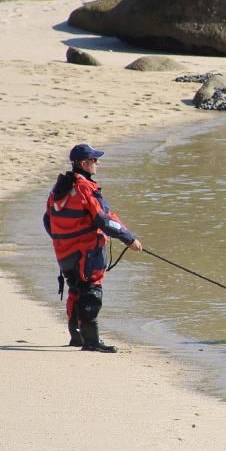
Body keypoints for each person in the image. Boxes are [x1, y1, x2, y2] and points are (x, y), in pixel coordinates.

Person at [43, 143, 143, 353]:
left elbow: (47, 220)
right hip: (86, 252)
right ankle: (91, 341)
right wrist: (129, 239)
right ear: (84, 163)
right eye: (95, 160)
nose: (98, 163)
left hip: (64, 252)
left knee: (76, 289)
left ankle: (76, 336)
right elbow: (103, 220)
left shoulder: (58, 188)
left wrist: (62, 239)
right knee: (91, 290)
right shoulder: (85, 188)